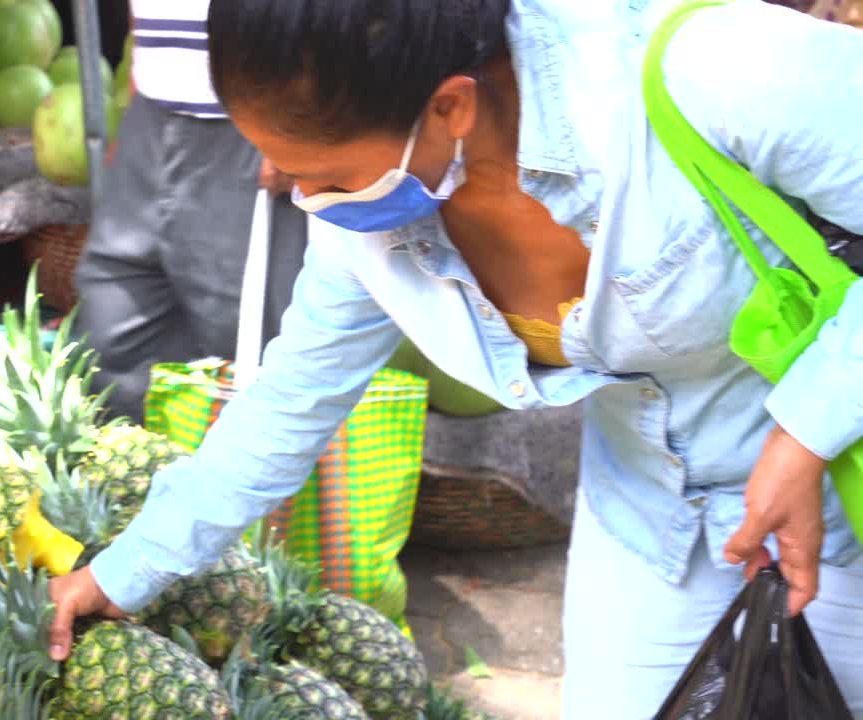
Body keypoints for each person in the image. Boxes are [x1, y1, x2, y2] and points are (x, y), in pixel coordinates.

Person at [50, 0, 863, 717]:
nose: (305, 201)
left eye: (322, 175)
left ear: (449, 108)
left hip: (842, 498)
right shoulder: (365, 226)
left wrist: (804, 433)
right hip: (650, 519)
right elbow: (290, 398)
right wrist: (128, 570)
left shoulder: (712, 71)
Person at [72, 0, 307, 424]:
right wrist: (136, 98)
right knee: (113, 325)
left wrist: (300, 112)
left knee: (241, 337)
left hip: (254, 115)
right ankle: (133, 481)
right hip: (153, 109)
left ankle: (254, 485)